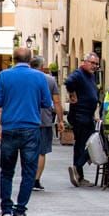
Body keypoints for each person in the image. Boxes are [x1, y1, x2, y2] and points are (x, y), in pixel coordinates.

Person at [0, 47, 53, 216]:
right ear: (30, 59)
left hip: (10, 127)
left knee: (7, 171)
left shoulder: (4, 76)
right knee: (28, 171)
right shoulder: (39, 77)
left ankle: (6, 210)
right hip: (31, 128)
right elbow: (46, 102)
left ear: (13, 59)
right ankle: (20, 211)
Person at [65, 51, 101, 186]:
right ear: (84, 62)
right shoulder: (79, 74)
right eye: (92, 63)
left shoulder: (90, 76)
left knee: (81, 145)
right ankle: (77, 168)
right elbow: (68, 81)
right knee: (93, 144)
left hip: (87, 116)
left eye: (96, 64)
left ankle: (78, 175)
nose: (94, 66)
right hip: (80, 116)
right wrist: (72, 94)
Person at [32, 59, 62, 190]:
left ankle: (28, 177)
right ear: (42, 67)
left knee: (28, 150)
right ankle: (36, 180)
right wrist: (60, 120)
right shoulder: (50, 80)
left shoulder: (25, 78)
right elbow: (56, 102)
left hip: (27, 119)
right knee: (41, 152)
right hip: (44, 119)